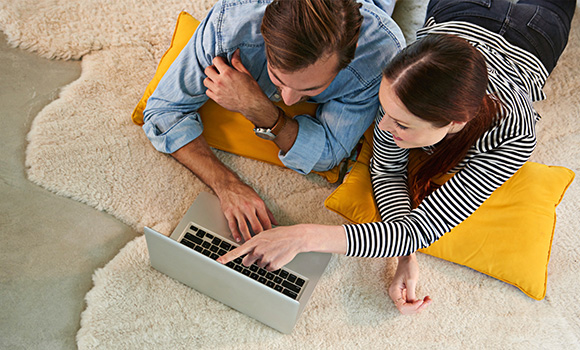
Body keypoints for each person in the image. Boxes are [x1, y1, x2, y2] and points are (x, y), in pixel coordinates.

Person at [218, 0, 576, 315]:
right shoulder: (402, 82)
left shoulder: (511, 136)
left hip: (536, 25)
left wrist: (302, 237)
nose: (383, 129)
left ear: (455, 123)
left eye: (401, 124)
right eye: (385, 110)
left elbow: (422, 228)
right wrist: (405, 251)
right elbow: (387, 169)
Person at [142, 0, 405, 242]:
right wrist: (227, 184)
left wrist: (259, 109)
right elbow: (163, 112)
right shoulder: (231, 25)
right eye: (278, 79)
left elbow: (328, 153)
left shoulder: (380, 54)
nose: (289, 101)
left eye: (311, 89)